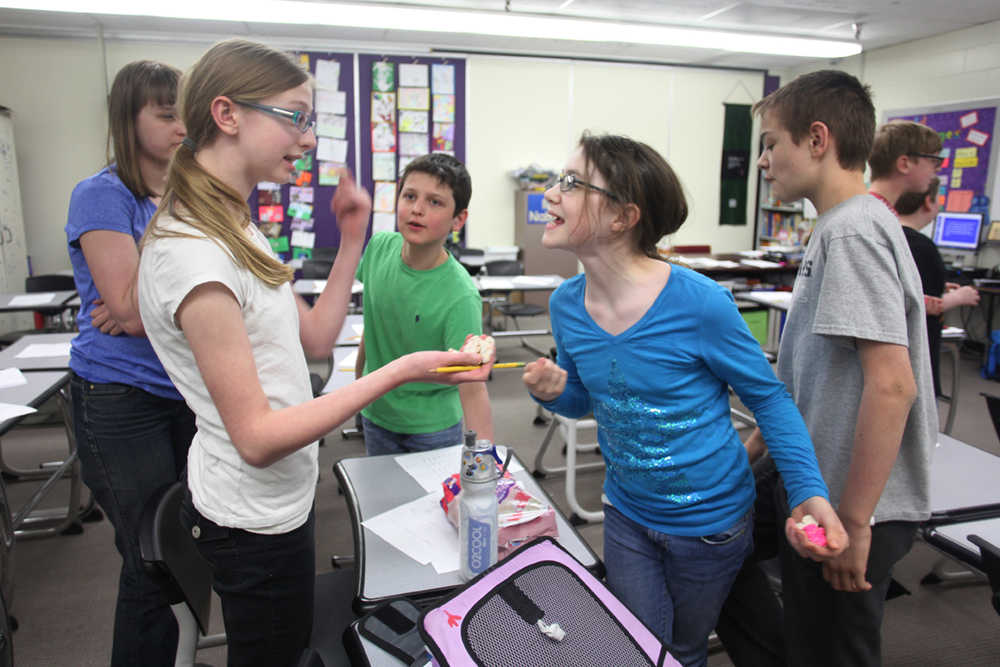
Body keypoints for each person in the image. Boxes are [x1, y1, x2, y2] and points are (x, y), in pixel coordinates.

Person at [136, 39, 490, 666]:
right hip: (252, 516)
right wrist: (401, 370)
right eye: (295, 117)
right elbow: (258, 437)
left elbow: (315, 340)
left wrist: (353, 236)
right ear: (228, 114)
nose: (306, 138)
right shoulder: (196, 252)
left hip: (280, 498)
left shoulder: (234, 224)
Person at [520, 132, 845, 667]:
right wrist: (557, 393)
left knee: (684, 649)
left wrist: (809, 491)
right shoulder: (566, 305)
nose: (551, 194)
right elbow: (590, 402)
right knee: (642, 648)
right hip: (625, 511)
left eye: (571, 183)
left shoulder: (700, 304)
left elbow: (771, 400)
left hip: (711, 525)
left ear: (623, 217)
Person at [730, 70, 938, 667]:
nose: (764, 161)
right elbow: (807, 378)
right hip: (813, 477)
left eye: (772, 143)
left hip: (850, 501)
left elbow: (892, 384)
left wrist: (856, 520)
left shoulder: (852, 233)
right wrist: (750, 456)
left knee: (832, 649)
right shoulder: (840, 227)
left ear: (817, 139)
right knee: (717, 555)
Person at [64, 60, 195, 667]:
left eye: (183, 113)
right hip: (118, 398)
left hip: (181, 390)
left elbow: (197, 295)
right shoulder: (101, 194)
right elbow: (129, 309)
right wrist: (139, 306)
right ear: (128, 118)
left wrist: (140, 305)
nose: (180, 126)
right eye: (165, 113)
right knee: (150, 558)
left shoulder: (185, 194)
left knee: (183, 545)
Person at [354, 153, 493, 454]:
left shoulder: (460, 295)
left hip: (433, 428)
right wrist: (358, 386)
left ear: (459, 219)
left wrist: (484, 460)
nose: (416, 209)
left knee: (431, 502)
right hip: (376, 413)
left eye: (435, 202)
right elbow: (373, 321)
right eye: (409, 196)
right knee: (382, 499)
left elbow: (472, 384)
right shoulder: (378, 248)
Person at [896, 178, 980, 395]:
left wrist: (939, 287)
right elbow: (926, 304)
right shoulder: (924, 248)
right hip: (917, 350)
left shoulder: (891, 236)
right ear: (927, 202)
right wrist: (961, 297)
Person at [868, 118, 943, 216]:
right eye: (933, 161)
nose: (938, 168)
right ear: (904, 164)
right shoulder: (873, 216)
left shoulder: (877, 210)